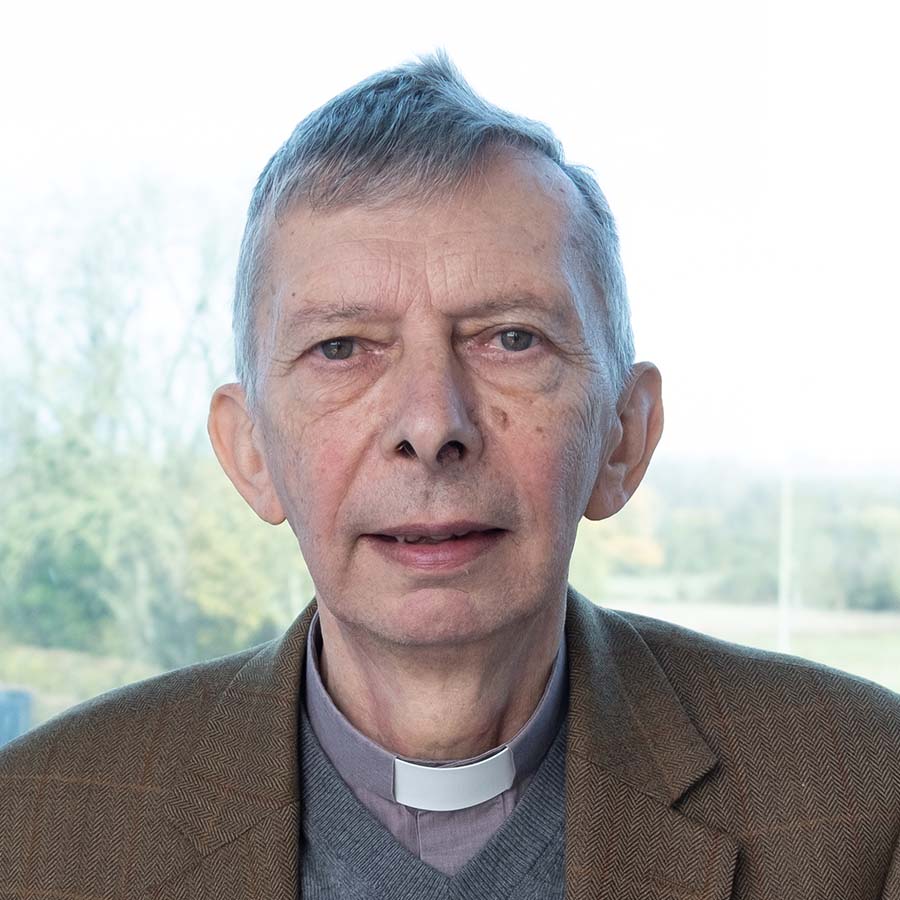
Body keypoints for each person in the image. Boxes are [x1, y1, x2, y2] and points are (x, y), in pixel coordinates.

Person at [1, 52, 899, 900]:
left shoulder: (867, 794)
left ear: (625, 436)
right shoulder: (33, 832)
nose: (432, 426)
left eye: (512, 338)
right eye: (342, 348)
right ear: (250, 453)